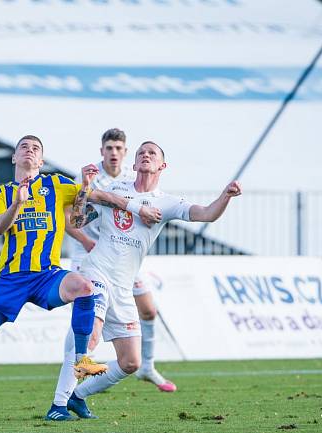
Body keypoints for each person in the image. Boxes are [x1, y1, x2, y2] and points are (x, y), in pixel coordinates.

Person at [0, 135, 162, 421]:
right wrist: (17, 204)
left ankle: (81, 360)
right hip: (10, 279)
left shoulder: (55, 184)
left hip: (46, 275)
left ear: (41, 160)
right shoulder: (2, 191)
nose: (29, 151)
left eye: (36, 149)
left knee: (85, 287)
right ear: (14, 157)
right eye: (24, 147)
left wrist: (137, 207)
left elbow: (103, 197)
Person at [62, 141, 242, 418]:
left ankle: (77, 396)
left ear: (162, 166)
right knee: (93, 333)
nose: (146, 155)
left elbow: (206, 214)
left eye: (152, 153)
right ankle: (63, 393)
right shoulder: (115, 191)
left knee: (131, 362)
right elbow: (76, 222)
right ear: (133, 165)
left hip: (123, 285)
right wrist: (87, 190)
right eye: (141, 153)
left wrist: (225, 197)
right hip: (96, 271)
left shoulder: (167, 202)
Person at [51, 128, 173, 421]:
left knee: (148, 309)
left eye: (119, 148)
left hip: (124, 264)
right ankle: (60, 400)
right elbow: (73, 216)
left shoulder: (129, 182)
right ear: (102, 150)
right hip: (90, 259)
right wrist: (84, 239)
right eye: (109, 148)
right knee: (85, 334)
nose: (114, 152)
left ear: (126, 153)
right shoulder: (96, 178)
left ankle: (145, 365)